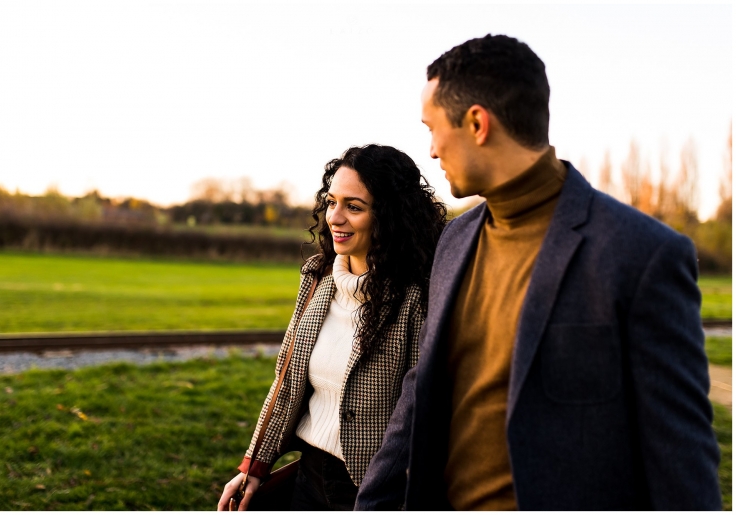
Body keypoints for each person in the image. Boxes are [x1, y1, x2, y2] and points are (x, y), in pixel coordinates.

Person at [355, 35, 722, 510]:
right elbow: (420, 391)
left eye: (433, 129)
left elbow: (681, 458)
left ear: (476, 123)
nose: (430, 150)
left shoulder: (641, 254)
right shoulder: (454, 240)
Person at [216, 144, 447, 510]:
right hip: (307, 477)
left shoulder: (418, 300)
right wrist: (254, 466)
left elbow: (423, 413)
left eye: (354, 207)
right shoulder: (317, 279)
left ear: (390, 216)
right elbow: (287, 381)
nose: (334, 218)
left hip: (375, 491)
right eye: (331, 201)